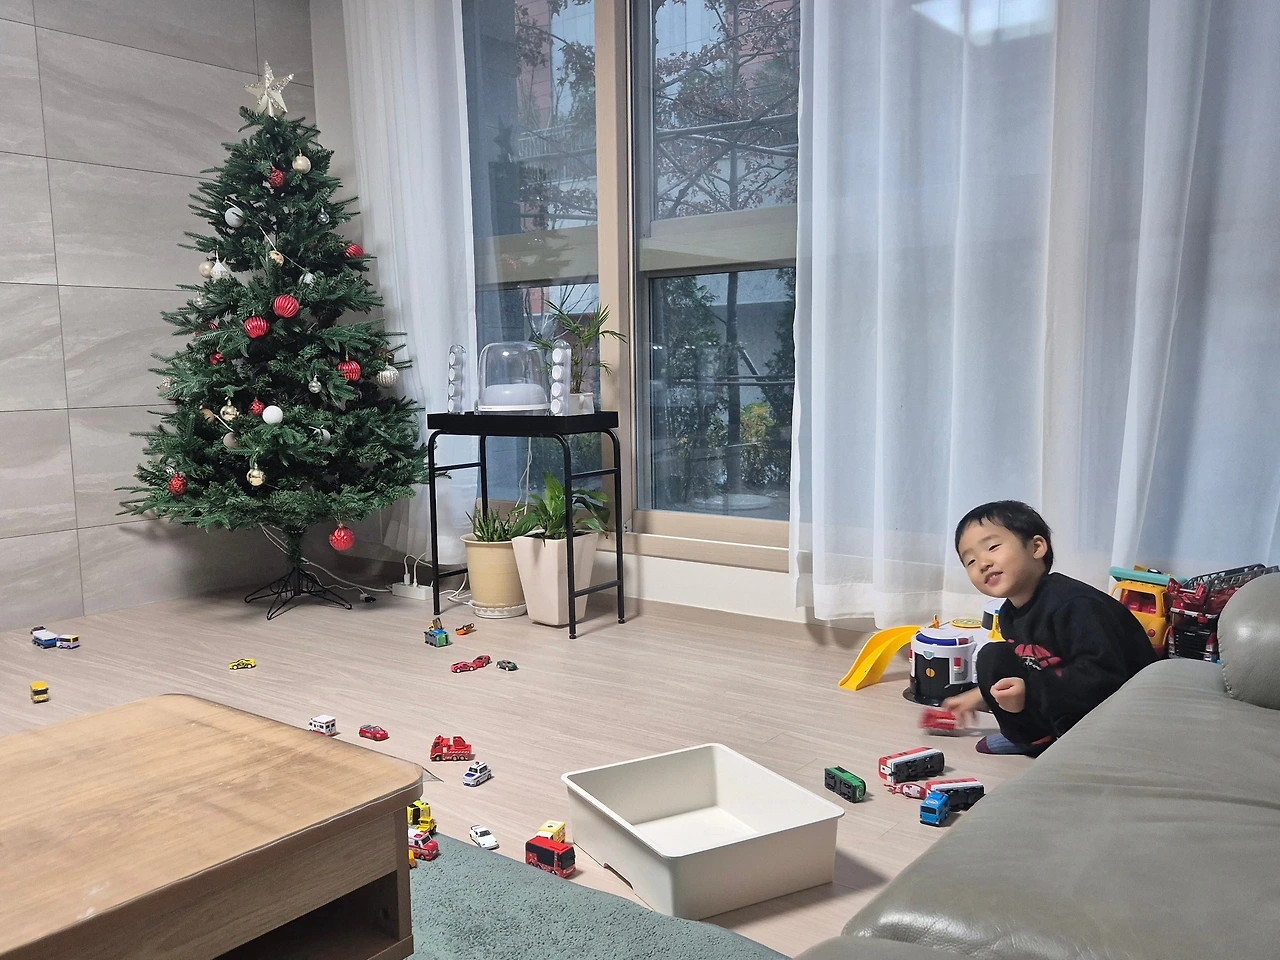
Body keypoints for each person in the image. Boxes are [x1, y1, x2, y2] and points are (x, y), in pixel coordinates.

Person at [943, 501, 1157, 755]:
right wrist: (980, 695)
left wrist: (1030, 691)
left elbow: (1103, 678)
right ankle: (1031, 739)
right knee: (993, 656)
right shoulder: (1010, 614)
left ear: (1036, 547)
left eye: (993, 547)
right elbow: (1033, 665)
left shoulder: (1075, 606)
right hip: (1071, 702)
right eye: (970, 561)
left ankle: (1071, 743)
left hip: (1121, 713)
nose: (983, 563)